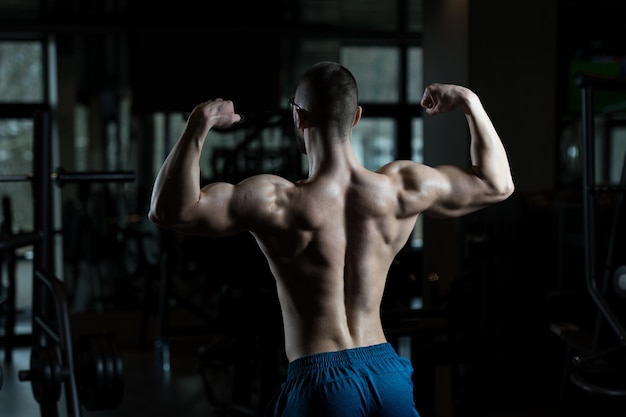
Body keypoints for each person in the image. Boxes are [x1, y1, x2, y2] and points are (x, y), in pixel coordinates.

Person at [148, 61, 514, 417]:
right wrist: (470, 103)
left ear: (298, 117)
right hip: (386, 375)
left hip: (320, 384)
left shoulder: (276, 200)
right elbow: (498, 184)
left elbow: (168, 211)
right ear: (356, 116)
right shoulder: (401, 189)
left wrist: (198, 124)